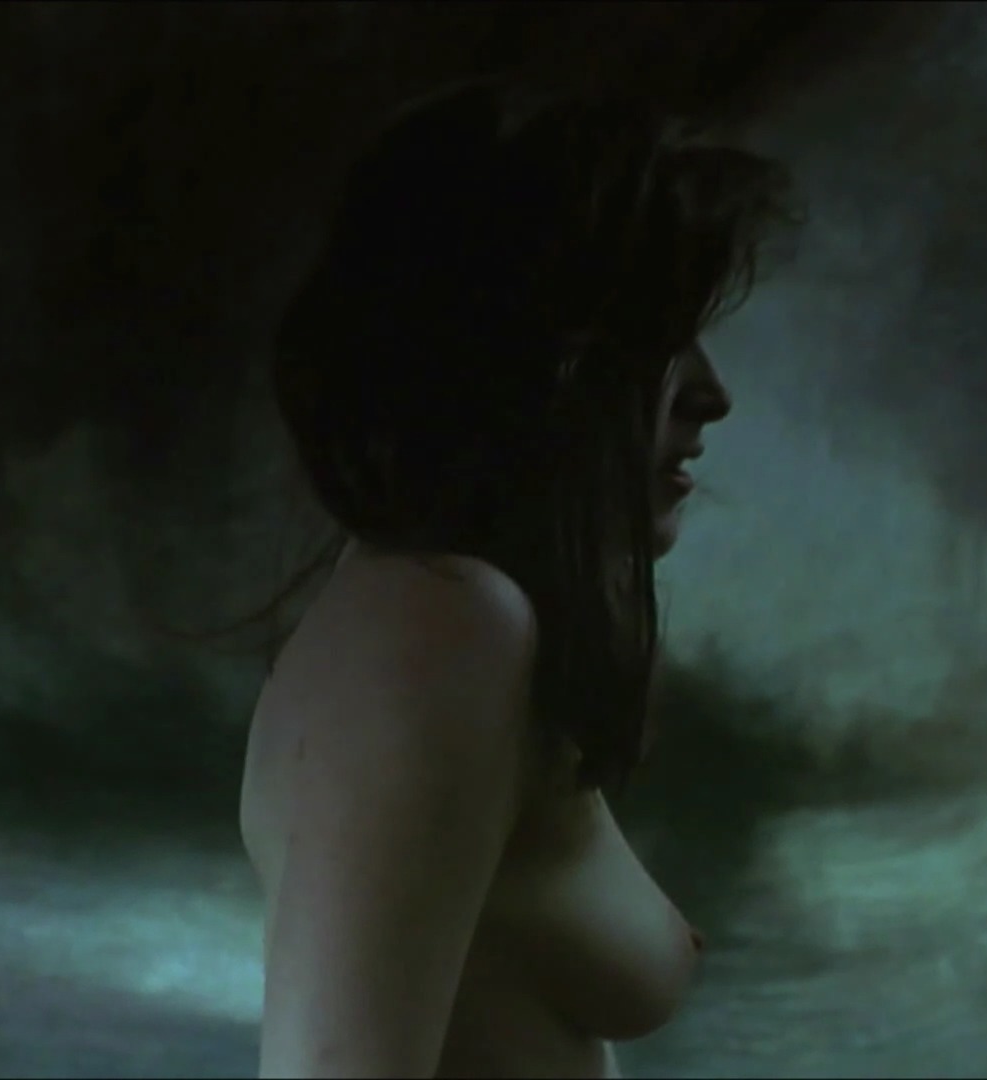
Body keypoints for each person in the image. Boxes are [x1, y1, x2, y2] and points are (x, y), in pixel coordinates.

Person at [237, 80, 798, 1079]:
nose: (712, 396)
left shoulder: (450, 623)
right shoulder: (434, 626)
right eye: (659, 342)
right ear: (535, 359)